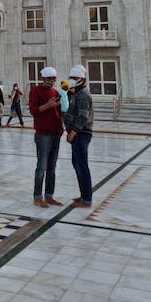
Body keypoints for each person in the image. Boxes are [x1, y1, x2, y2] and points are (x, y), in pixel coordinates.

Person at [28, 66, 64, 208]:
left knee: (52, 167)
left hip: (56, 133)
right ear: (43, 79)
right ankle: (37, 197)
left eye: (54, 79)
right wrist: (48, 105)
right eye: (49, 79)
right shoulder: (36, 91)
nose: (52, 81)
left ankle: (49, 195)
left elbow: (59, 112)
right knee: (41, 167)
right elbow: (33, 111)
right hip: (43, 134)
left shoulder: (55, 92)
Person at [64, 64, 93, 207]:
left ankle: (87, 199)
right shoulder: (75, 92)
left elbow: (83, 117)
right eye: (71, 78)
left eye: (74, 78)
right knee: (77, 164)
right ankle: (83, 195)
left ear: (81, 79)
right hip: (76, 134)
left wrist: (73, 132)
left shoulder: (83, 95)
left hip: (81, 133)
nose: (71, 80)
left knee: (82, 165)